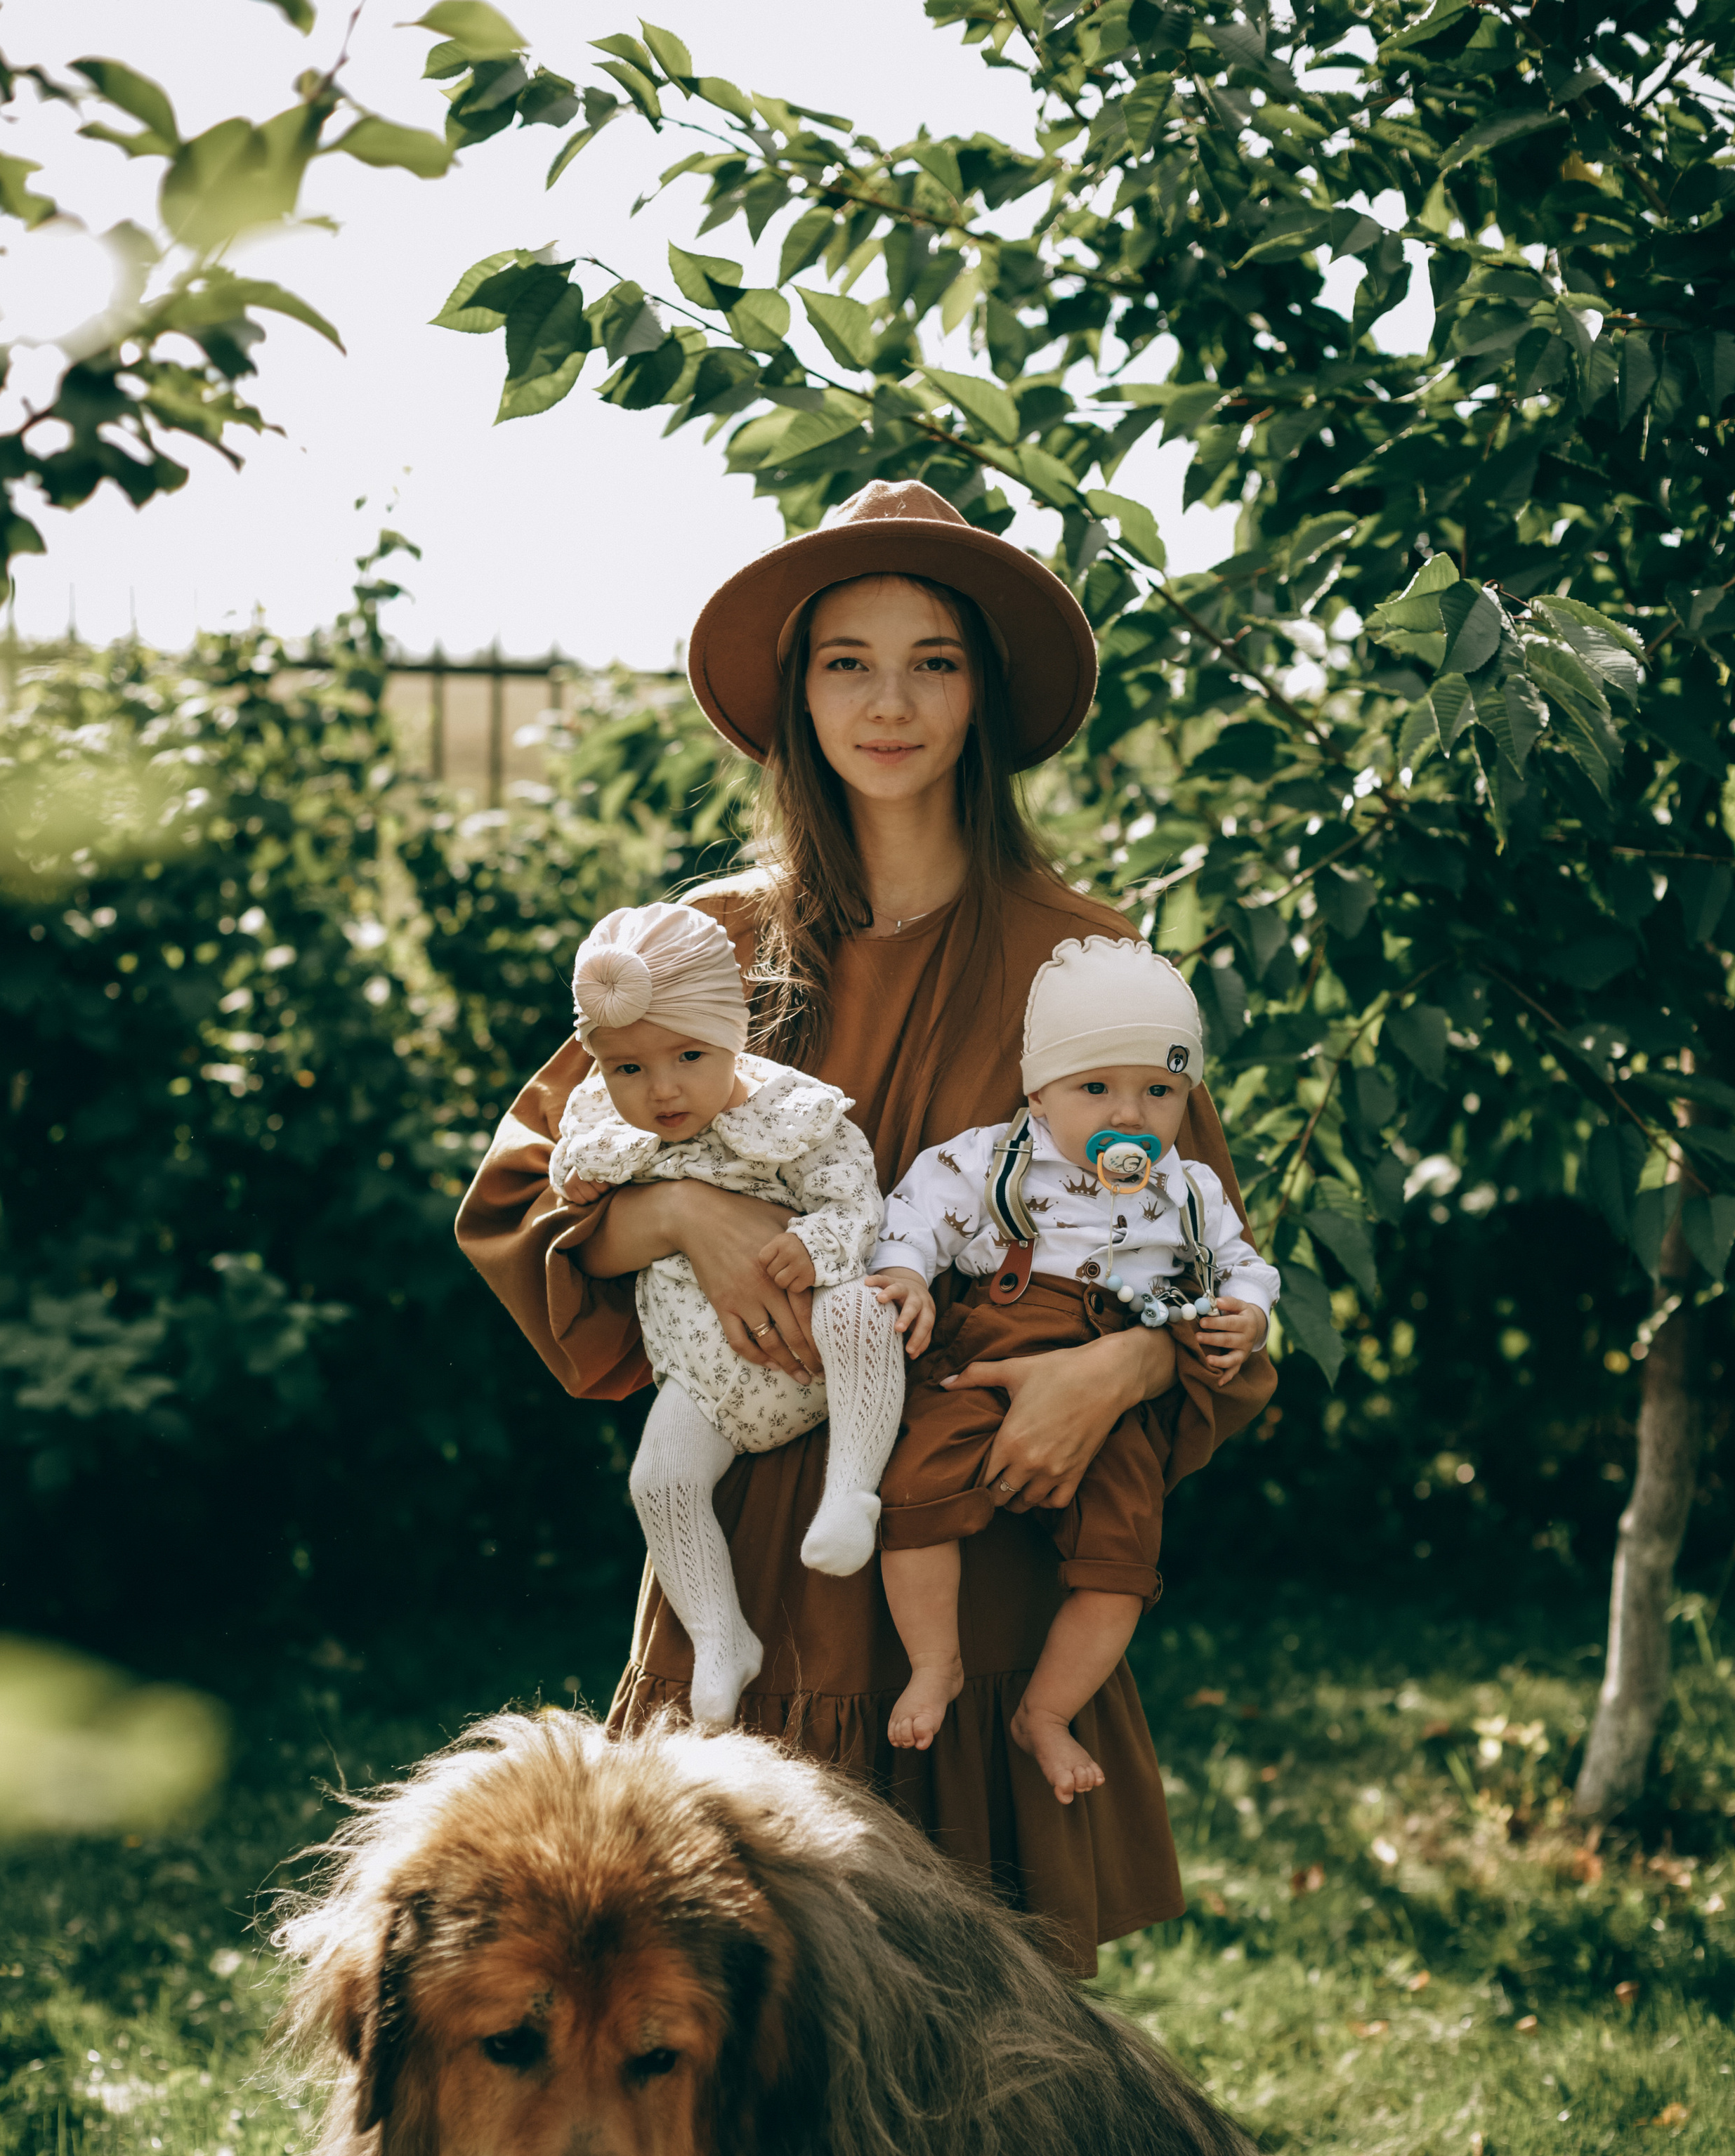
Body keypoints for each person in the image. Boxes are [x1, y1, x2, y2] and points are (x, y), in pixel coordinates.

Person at [456, 478, 1276, 1974]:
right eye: (846, 659)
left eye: (933, 660)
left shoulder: (1080, 963)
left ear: (982, 693)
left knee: (990, 2057)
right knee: (714, 2024)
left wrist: (1130, 1373)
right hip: (759, 1548)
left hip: (984, 1546)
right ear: (794, 692)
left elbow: (1210, 1283)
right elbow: (519, 1194)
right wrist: (678, 1211)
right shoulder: (703, 948)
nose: (887, 701)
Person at [866, 932, 1279, 1800]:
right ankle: (934, 1662)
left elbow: (1242, 1265)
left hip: (1116, 1366)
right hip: (998, 1339)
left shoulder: (1189, 1190)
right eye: (1095, 1088)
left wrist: (1249, 1311)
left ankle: (1046, 1713)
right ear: (1039, 1090)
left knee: (1123, 1562)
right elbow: (915, 1211)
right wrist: (906, 1273)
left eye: (1159, 1092)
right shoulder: (993, 1158)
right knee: (912, 1494)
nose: (1129, 1116)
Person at [550, 902, 903, 1726]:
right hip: (706, 1377)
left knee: (863, 1313)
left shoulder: (791, 1114)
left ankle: (851, 1488)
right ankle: (719, 1635)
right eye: (627, 1069)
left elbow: (858, 1206)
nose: (661, 1088)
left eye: (688, 1056)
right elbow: (569, 1183)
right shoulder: (606, 1124)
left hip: (816, 1345)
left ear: (736, 1031)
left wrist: (814, 1248)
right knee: (658, 1482)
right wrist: (584, 1175)